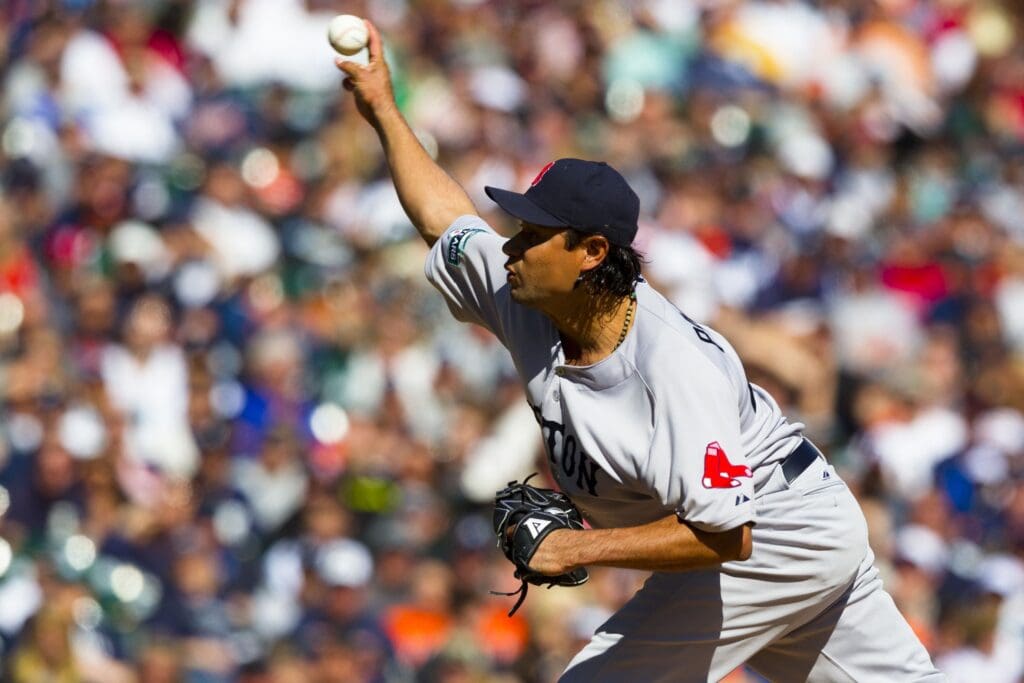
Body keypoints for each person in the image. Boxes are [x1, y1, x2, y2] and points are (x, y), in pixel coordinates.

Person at [335, 21, 944, 682]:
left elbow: (727, 534)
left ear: (591, 252)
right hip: (792, 531)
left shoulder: (668, 365)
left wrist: (578, 545)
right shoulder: (530, 293)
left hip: (775, 535)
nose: (510, 246)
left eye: (533, 234)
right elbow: (442, 219)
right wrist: (383, 109)